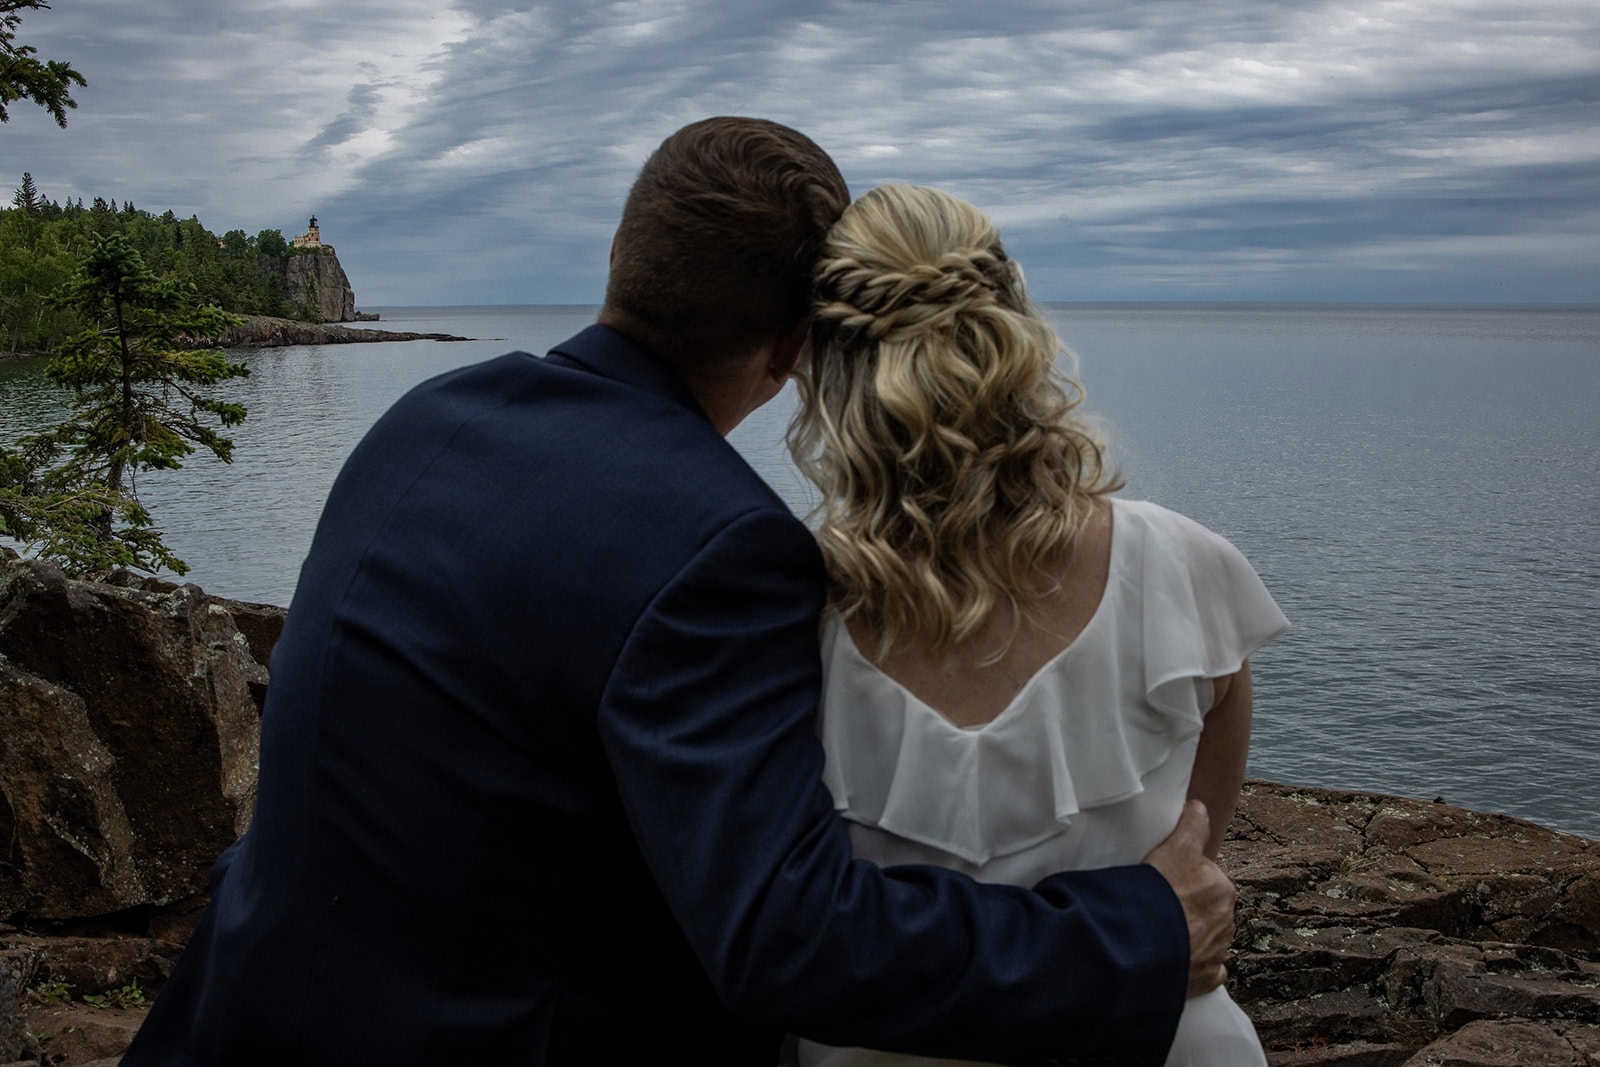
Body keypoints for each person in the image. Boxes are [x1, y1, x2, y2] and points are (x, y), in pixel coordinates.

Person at [121, 120, 1232, 1067]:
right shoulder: (721, 546)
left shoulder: (425, 422)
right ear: (796, 345)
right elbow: (786, 937)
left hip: (246, 1013)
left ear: (623, 257)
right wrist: (1135, 929)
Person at [787, 184, 1288, 1067]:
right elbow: (1196, 885)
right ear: (1015, 321)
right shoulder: (1189, 572)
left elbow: (773, 928)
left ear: (822, 364)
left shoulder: (781, 607)